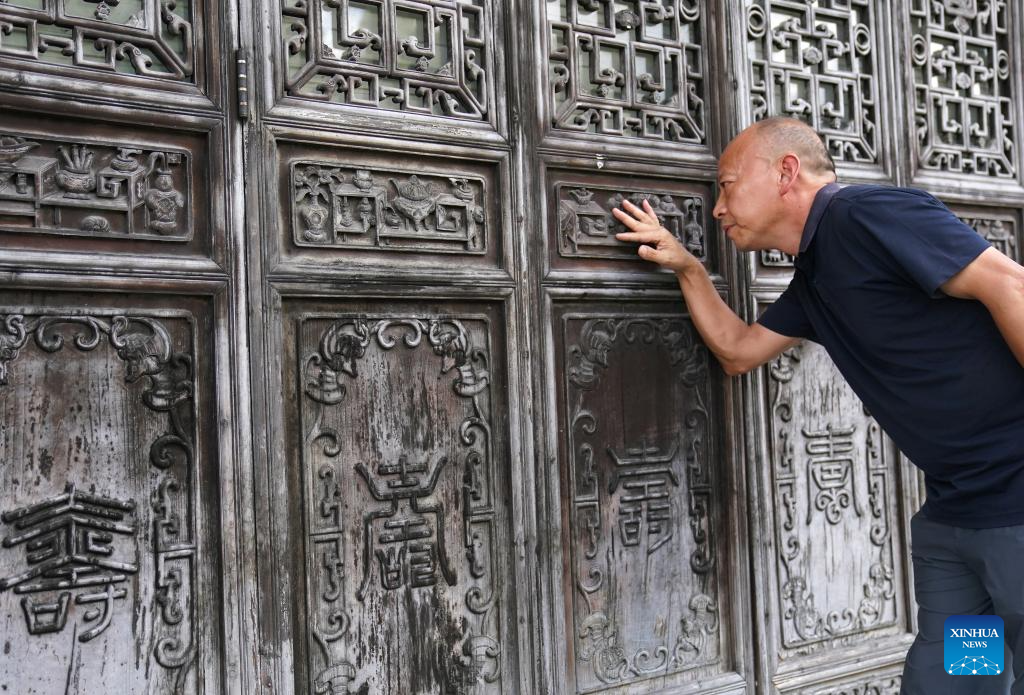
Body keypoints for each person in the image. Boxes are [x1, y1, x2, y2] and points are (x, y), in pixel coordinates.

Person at [612, 116, 1024, 695]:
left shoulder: (871, 215)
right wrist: (688, 268)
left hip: (1016, 510)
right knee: (958, 678)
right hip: (958, 524)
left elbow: (1011, 286)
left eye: (727, 185)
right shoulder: (815, 278)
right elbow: (737, 351)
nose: (718, 209)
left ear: (786, 173)